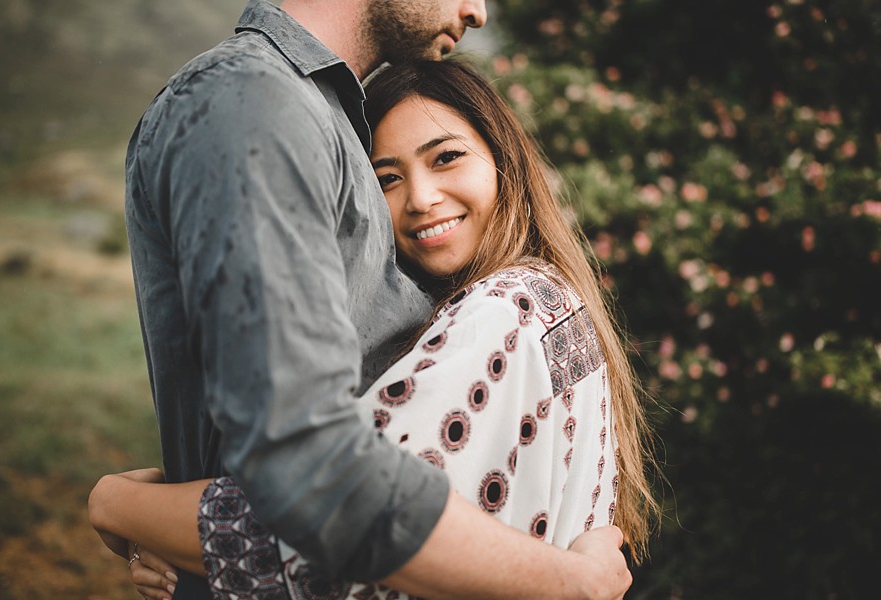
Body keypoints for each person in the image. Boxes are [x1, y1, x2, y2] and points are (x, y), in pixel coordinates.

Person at [90, 58, 657, 600]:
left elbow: (315, 540)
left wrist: (118, 504)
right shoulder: (552, 297)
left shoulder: (503, 313)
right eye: (387, 178)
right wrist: (174, 540)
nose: (421, 199)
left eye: (446, 158)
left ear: (503, 162)